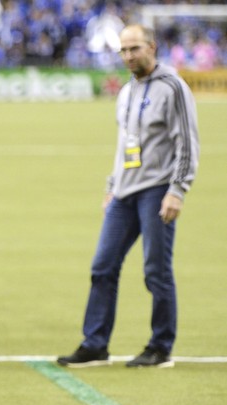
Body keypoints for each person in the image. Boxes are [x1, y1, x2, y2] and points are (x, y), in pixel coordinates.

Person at [57, 24, 199, 369]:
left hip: (157, 190)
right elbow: (125, 146)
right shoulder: (126, 91)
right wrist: (111, 186)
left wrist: (177, 191)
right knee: (102, 267)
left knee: (156, 271)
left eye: (134, 48)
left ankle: (160, 347)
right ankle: (95, 345)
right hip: (124, 193)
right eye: (123, 50)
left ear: (152, 46)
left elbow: (187, 143)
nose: (128, 56)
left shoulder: (173, 87)